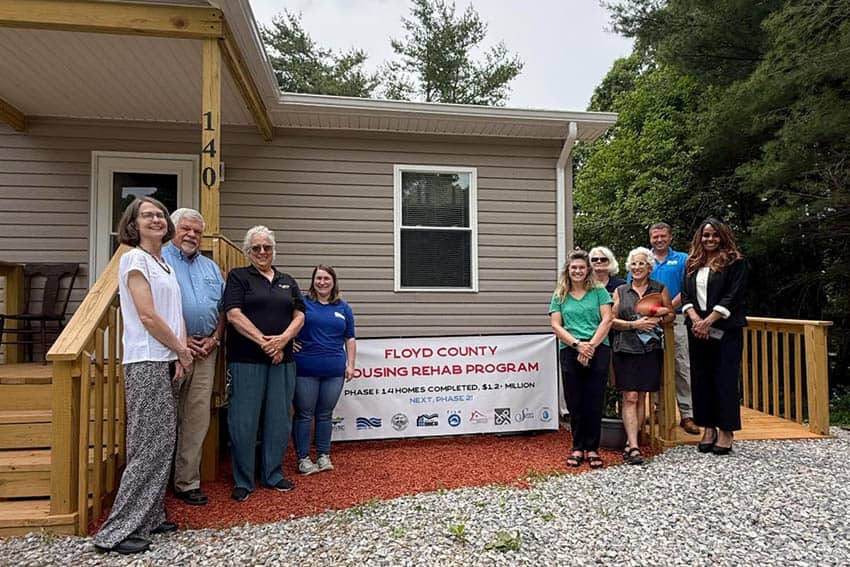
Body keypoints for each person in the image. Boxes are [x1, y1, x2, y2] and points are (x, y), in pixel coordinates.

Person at [93, 197, 192, 554]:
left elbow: (173, 312)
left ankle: (150, 517)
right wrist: (180, 350)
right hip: (146, 361)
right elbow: (148, 317)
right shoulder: (134, 259)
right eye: (147, 215)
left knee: (162, 443)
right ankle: (116, 532)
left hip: (166, 358)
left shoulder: (163, 264)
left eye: (160, 215)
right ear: (133, 224)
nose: (156, 219)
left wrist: (181, 353)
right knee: (147, 447)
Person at [222, 225, 305, 502]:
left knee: (279, 419)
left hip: (284, 361)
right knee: (243, 421)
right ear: (248, 252)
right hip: (246, 360)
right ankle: (243, 480)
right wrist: (266, 343)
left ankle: (273, 474)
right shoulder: (238, 277)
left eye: (266, 247)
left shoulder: (287, 280)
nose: (261, 252)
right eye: (255, 248)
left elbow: (300, 316)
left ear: (273, 250)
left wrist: (282, 341)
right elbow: (233, 315)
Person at [162, 208, 225, 506]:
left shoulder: (211, 268)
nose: (191, 235)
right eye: (185, 229)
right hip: (169, 351)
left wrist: (214, 339)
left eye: (197, 232)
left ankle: (186, 482)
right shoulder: (159, 260)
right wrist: (181, 342)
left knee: (196, 418)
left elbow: (223, 309)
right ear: (173, 230)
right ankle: (156, 485)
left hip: (206, 353)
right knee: (163, 418)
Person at [681, 218, 747, 455]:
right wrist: (696, 319)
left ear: (722, 237)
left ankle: (727, 430)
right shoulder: (691, 263)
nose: (710, 239)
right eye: (706, 235)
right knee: (701, 378)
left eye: (714, 235)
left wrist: (709, 320)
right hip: (697, 330)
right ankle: (708, 428)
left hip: (725, 330)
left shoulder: (734, 263)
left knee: (725, 379)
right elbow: (685, 293)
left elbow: (733, 295)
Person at [549, 249, 614, 469]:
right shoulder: (560, 294)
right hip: (570, 348)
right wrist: (577, 345)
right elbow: (556, 325)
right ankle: (577, 447)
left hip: (597, 347)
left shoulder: (599, 292)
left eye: (581, 267)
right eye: (573, 267)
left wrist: (590, 347)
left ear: (588, 270)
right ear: (568, 269)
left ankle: (593, 448)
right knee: (575, 401)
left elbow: (607, 319)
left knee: (594, 401)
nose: (577, 271)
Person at [611, 247, 674, 465]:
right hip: (626, 348)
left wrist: (658, 318)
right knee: (630, 397)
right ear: (629, 268)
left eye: (641, 264)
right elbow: (611, 320)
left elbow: (670, 314)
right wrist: (634, 324)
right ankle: (634, 446)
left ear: (649, 267)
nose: (637, 267)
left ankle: (632, 442)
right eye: (634, 264)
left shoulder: (659, 288)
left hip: (650, 349)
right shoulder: (620, 291)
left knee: (642, 396)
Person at [293, 265, 357, 475]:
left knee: (325, 414)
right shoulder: (303, 303)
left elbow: (350, 337)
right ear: (313, 281)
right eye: (318, 278)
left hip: (334, 369)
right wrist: (288, 341)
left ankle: (323, 455)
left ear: (333, 281)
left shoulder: (343, 307)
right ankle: (303, 459)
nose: (322, 282)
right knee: (304, 414)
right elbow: (287, 325)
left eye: (326, 278)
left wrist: (351, 365)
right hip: (305, 368)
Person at [646, 222, 699, 435]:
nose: (659, 239)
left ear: (670, 237)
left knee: (681, 365)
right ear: (650, 238)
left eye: (663, 236)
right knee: (654, 365)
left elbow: (687, 288)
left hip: (675, 318)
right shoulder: (644, 258)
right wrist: (652, 313)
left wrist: (667, 308)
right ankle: (660, 411)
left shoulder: (683, 259)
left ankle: (687, 414)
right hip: (649, 320)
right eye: (655, 236)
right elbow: (635, 288)